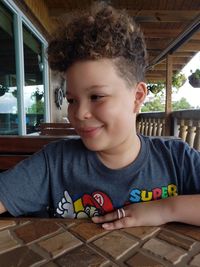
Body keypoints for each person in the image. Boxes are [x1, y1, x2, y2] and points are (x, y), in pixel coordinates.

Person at [0, 3, 200, 230]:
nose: (79, 113)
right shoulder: (54, 163)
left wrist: (166, 208)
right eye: (72, 100)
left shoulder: (178, 161)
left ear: (137, 97)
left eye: (96, 96)